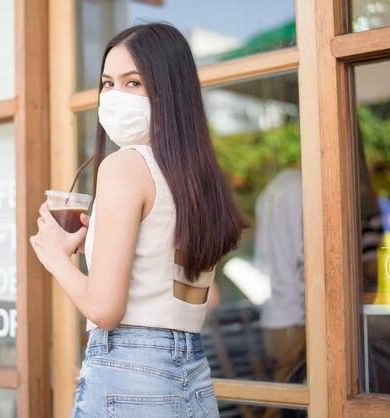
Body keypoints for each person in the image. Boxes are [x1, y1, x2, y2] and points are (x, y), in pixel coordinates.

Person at [30, 22, 248, 417]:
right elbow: (161, 271)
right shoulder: (199, 179)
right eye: (107, 83)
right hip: (193, 373)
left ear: (169, 90)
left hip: (128, 372)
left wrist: (54, 257)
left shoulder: (124, 166)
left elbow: (104, 309)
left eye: (133, 83)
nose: (113, 96)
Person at [253, 167, 305, 418]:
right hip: (295, 317)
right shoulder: (300, 189)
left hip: (275, 314)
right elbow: (302, 261)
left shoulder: (273, 189)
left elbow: (263, 262)